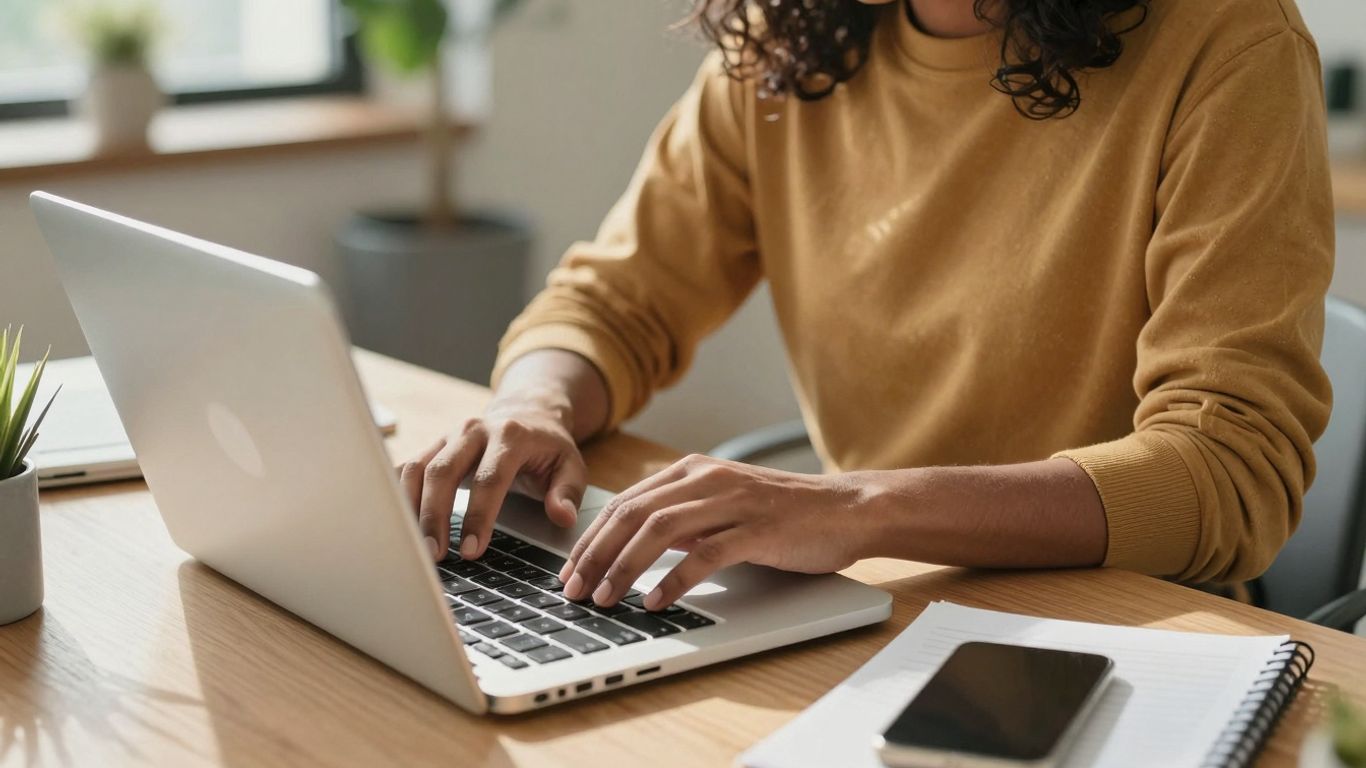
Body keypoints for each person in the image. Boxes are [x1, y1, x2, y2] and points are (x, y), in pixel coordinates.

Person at [401, 0, 1334, 612]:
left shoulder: (1229, 42)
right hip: (870, 596)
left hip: (1124, 629)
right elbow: (615, 300)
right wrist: (534, 403)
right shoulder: (789, 29)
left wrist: (858, 505)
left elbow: (1227, 470)